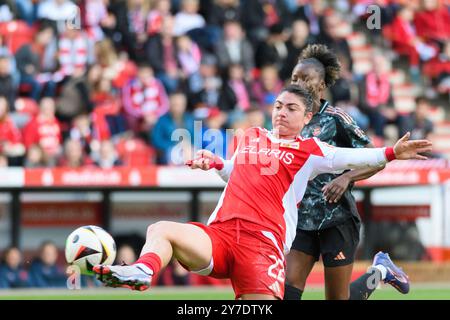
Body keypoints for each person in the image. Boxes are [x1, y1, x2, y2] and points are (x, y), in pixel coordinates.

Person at [93, 84, 431, 299]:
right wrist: (217, 164)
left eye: (291, 108)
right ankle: (143, 271)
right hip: (222, 236)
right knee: (161, 229)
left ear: (307, 116)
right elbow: (239, 175)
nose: (281, 112)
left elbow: (351, 157)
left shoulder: (310, 150)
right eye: (279, 106)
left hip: (262, 247)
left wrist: (391, 152)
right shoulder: (252, 135)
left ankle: (379, 273)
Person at [286, 44, 410, 300]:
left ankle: (379, 271)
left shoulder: (337, 118)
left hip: (337, 219)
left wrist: (346, 177)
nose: (297, 83)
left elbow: (374, 158)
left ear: (321, 86)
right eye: (294, 78)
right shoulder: (287, 118)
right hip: (301, 222)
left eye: (305, 78)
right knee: (286, 294)